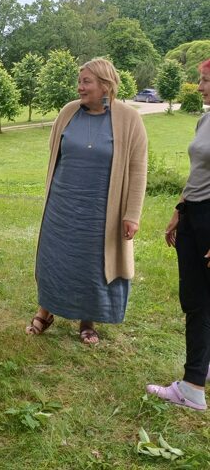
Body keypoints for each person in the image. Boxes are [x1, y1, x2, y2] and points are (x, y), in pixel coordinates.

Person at [25, 58, 147, 344]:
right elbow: (55, 152)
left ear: (105, 85)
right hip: (62, 204)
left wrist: (132, 214)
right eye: (79, 81)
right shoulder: (68, 112)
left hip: (101, 210)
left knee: (92, 265)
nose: (80, 87)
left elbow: (139, 169)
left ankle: (87, 321)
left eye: (86, 82)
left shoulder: (129, 119)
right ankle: (45, 312)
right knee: (56, 259)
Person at [146, 59, 210, 411]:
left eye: (206, 81)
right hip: (193, 214)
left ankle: (192, 388)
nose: (199, 87)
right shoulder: (205, 119)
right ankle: (204, 366)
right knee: (197, 299)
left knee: (199, 302)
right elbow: (198, 173)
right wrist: (178, 211)